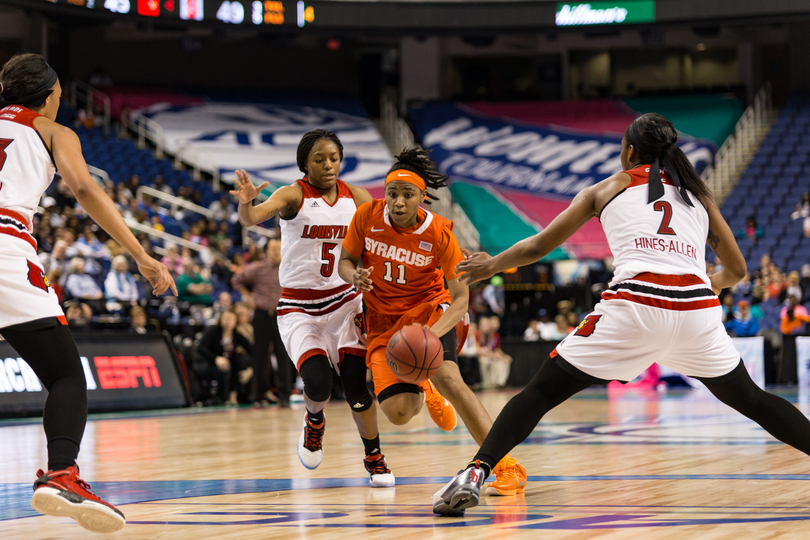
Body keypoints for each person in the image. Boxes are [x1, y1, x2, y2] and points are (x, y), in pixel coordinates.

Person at [433, 112, 810, 516]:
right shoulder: (698, 195)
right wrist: (708, 284)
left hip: (635, 305)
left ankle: (476, 471)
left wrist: (491, 265)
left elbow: (539, 246)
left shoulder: (607, 188)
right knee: (754, 400)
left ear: (630, 152)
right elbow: (736, 270)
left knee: (540, 394)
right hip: (697, 310)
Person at [0, 53, 175, 532]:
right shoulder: (53, 131)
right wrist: (141, 254)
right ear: (48, 96)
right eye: (59, 94)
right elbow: (84, 188)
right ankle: (62, 474)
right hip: (6, 249)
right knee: (65, 376)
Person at [338, 147, 527, 497]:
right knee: (398, 413)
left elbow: (460, 299)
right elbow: (345, 261)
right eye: (392, 193)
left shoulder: (439, 232)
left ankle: (507, 467)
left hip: (431, 312)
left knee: (450, 378)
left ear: (422, 197)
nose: (398, 202)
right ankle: (425, 388)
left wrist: (429, 334)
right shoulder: (366, 216)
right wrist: (353, 276)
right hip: (382, 321)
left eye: (407, 194)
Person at [230, 128, 394, 487]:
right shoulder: (293, 194)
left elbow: (387, 234)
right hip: (299, 308)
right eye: (319, 159)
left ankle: (374, 457)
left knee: (356, 386)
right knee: (318, 385)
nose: (328, 165)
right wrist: (245, 203)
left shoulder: (358, 196)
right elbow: (251, 218)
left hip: (345, 301)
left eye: (334, 158)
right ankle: (314, 422)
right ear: (305, 163)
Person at [231, 237, 293, 407]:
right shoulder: (257, 268)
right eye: (272, 248)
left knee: (284, 355)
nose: (275, 251)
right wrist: (248, 297)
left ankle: (285, 395)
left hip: (282, 315)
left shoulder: (289, 267)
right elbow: (236, 280)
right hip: (261, 315)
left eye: (278, 248)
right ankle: (257, 395)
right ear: (267, 251)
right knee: (259, 355)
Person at [193, 310, 253, 405]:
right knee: (225, 368)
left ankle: (234, 394)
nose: (227, 322)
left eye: (230, 319)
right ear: (220, 319)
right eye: (225, 318)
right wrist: (216, 358)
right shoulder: (213, 331)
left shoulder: (236, 334)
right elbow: (201, 348)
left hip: (226, 362)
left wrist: (251, 369)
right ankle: (223, 399)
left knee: (242, 360)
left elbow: (252, 351)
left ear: (235, 321)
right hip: (207, 362)